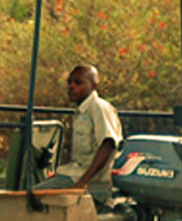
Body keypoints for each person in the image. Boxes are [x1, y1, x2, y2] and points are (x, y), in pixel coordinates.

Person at [34, 64, 122, 199]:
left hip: (89, 182)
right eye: (69, 82)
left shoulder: (98, 108)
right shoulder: (81, 111)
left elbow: (108, 145)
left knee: (33, 197)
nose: (71, 86)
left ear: (94, 86)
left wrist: (82, 182)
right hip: (74, 174)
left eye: (78, 83)